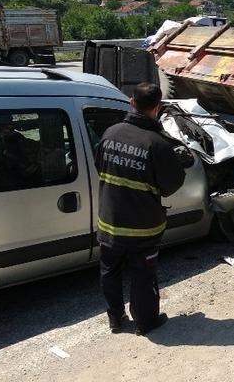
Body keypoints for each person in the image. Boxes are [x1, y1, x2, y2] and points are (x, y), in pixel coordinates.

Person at [96, 83, 188, 336]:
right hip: (142, 228)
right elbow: (171, 186)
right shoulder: (157, 144)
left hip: (109, 222)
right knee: (142, 276)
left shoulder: (110, 133)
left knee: (109, 272)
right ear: (157, 107)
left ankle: (115, 319)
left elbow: (100, 167)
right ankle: (145, 322)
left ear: (131, 102)